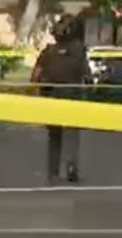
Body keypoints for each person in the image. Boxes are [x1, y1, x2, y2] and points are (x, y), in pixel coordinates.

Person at [30, 14, 90, 184]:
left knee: (54, 136)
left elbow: (35, 77)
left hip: (51, 97)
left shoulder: (48, 52)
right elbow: (88, 77)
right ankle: (71, 167)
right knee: (72, 134)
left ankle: (53, 172)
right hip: (72, 96)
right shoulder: (79, 52)